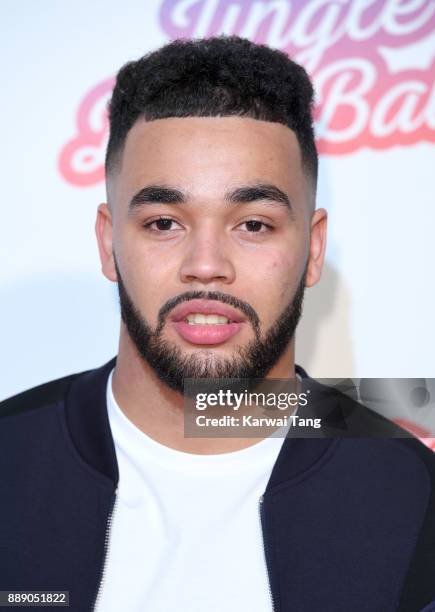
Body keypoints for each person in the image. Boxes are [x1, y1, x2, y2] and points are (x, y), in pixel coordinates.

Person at [1, 36, 434, 612]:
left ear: (312, 249)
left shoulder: (414, 493)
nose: (206, 266)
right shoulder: (10, 462)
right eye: (163, 223)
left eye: (253, 224)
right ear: (108, 244)